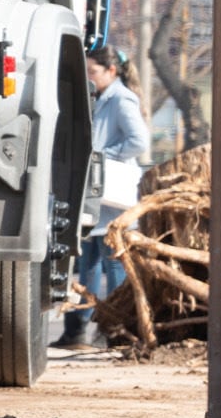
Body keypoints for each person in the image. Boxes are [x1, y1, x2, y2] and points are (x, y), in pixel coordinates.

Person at [56, 43, 150, 350]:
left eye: (93, 71)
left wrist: (104, 156)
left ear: (111, 71)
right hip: (98, 192)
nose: (89, 76)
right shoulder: (103, 97)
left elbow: (138, 140)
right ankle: (79, 330)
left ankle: (118, 329)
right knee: (90, 263)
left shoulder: (121, 99)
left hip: (113, 192)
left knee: (113, 262)